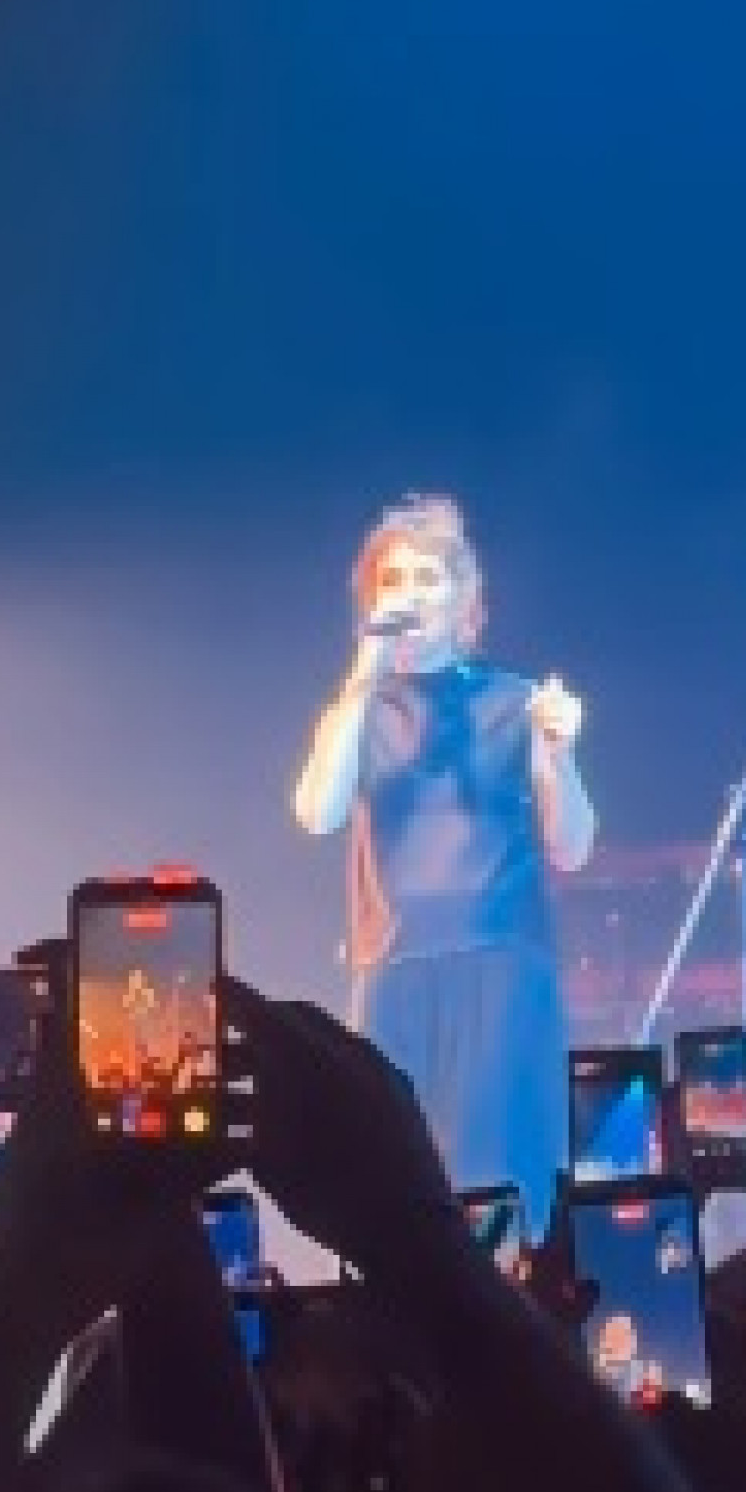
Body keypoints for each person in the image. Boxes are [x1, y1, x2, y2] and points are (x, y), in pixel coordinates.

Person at [293, 493, 596, 1216]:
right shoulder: (360, 710)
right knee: (392, 1184)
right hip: (392, 970)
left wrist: (561, 753)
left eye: (428, 578)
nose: (410, 595)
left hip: (500, 966)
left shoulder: (516, 703)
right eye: (392, 581)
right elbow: (317, 813)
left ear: (466, 600)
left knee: (499, 1185)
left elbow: (574, 845)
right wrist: (361, 681)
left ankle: (515, 1316)